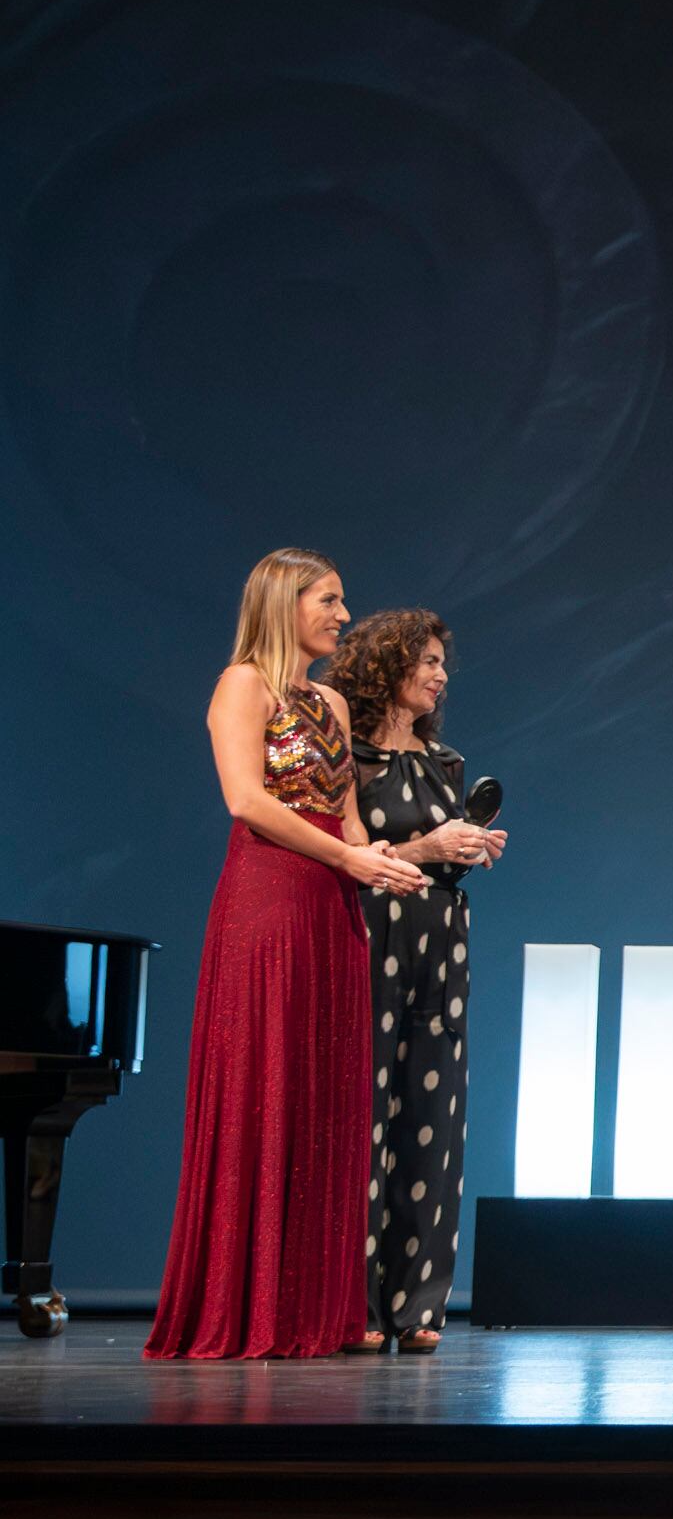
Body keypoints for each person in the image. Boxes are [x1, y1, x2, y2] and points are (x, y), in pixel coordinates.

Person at [146, 550, 429, 1360]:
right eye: (330, 600)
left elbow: (349, 826)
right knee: (263, 1087)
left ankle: (311, 1308)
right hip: (266, 905)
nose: (344, 615)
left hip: (330, 912)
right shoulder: (244, 684)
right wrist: (349, 861)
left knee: (323, 1099)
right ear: (284, 602)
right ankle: (245, 1306)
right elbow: (246, 799)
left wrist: (400, 857)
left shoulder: (331, 701)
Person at [332, 609, 505, 1353]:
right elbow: (347, 853)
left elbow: (438, 852)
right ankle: (363, 1304)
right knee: (367, 1110)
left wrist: (468, 848)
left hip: (441, 940)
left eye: (442, 663)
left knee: (432, 1113)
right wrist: (424, 843)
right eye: (426, 661)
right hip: (373, 932)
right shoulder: (355, 757)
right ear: (386, 668)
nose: (439, 675)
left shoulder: (447, 763)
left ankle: (420, 1303)